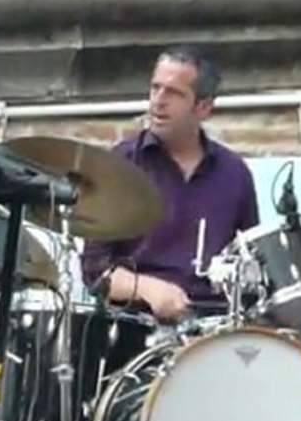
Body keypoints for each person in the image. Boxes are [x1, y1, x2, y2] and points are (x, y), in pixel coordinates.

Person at [81, 45, 259, 323]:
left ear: (203, 107)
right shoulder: (121, 164)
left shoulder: (235, 174)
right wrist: (149, 288)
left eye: (173, 93)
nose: (158, 102)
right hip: (137, 327)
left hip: (215, 329)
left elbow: (253, 271)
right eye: (155, 88)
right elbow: (94, 272)